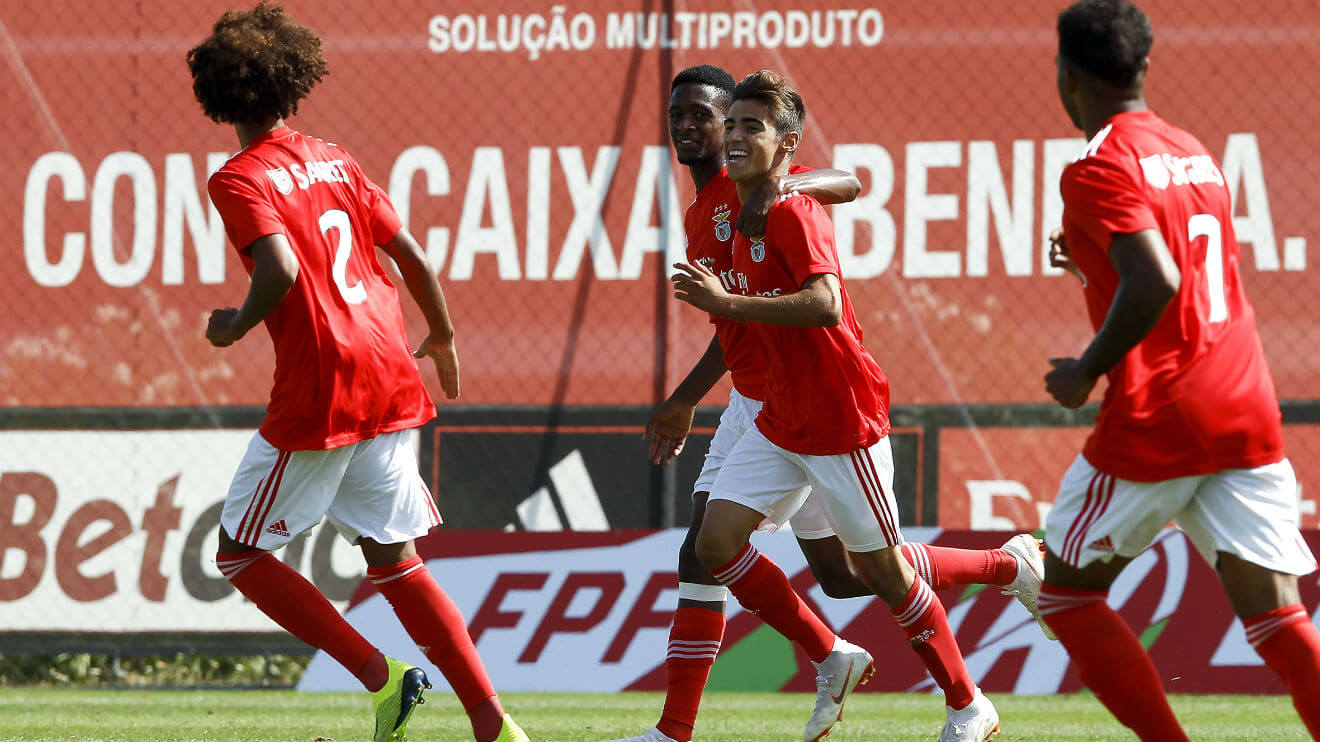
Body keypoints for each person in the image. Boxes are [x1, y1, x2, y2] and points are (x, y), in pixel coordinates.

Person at [604, 64, 1044, 742]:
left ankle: (966, 695)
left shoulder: (779, 199)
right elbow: (739, 329)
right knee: (741, 551)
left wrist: (785, 184)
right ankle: (819, 661)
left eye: (717, 117)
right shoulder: (705, 213)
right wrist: (688, 396)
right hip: (772, 409)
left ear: (761, 137)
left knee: (874, 569)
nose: (695, 126)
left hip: (837, 415)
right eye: (680, 114)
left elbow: (836, 244)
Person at [187, 5, 530, 742]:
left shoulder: (239, 178)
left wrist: (232, 326)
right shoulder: (336, 158)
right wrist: (438, 333)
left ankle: (387, 677)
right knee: (394, 559)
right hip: (389, 368)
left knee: (239, 554)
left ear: (215, 95)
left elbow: (277, 268)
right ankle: (493, 724)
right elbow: (412, 256)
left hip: (326, 383)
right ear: (293, 83)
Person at [1038, 2, 1320, 740]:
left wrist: (1085, 370)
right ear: (1145, 67)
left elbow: (1157, 280)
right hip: (1245, 405)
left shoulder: (1099, 164)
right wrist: (1096, 268)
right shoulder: (1193, 151)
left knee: (1065, 594)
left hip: (1163, 411)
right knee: (1277, 614)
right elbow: (1184, 278)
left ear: (1067, 78)